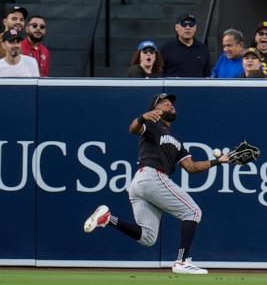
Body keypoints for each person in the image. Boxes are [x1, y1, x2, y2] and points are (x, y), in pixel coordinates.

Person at [84, 93, 229, 274]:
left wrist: (218, 161)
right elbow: (133, 129)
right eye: (165, 104)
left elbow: (191, 167)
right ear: (155, 110)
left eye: (171, 104)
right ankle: (182, 262)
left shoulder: (177, 141)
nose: (171, 105)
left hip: (141, 184)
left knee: (148, 237)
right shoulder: (152, 124)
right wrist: (141, 117)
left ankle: (108, 218)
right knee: (193, 211)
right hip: (151, 176)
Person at [161, 13, 210, 77]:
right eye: (184, 24)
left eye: (191, 24)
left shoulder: (203, 49)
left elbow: (207, 76)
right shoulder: (167, 49)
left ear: (195, 28)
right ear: (176, 27)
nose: (188, 27)